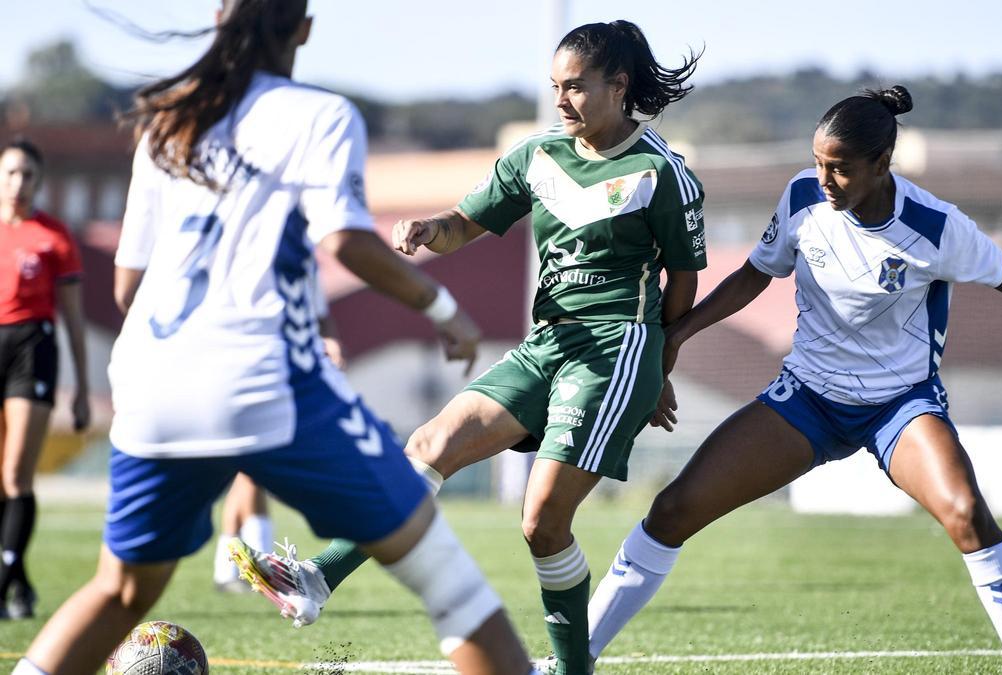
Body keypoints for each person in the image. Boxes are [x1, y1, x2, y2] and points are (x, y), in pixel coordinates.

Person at [12, 1, 536, 673]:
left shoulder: (167, 123)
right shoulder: (321, 115)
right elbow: (345, 238)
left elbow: (124, 289)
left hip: (151, 384)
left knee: (119, 590)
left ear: (217, 19)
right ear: (305, 27)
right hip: (266, 379)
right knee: (450, 582)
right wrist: (442, 307)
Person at [584, 86, 1002, 675]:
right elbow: (756, 274)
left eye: (840, 168)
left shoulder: (937, 228)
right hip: (805, 399)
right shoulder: (803, 197)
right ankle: (571, 662)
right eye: (818, 163)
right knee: (674, 509)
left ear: (883, 164)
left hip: (900, 407)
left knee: (966, 514)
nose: (825, 178)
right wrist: (676, 336)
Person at [236, 19, 706, 675]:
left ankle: (572, 668)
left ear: (618, 85)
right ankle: (316, 579)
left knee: (541, 521)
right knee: (430, 445)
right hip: (545, 346)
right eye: (554, 87)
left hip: (617, 347)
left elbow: (682, 285)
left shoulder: (661, 173)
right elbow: (467, 222)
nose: (561, 100)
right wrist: (434, 228)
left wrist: (657, 367)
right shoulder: (537, 157)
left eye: (575, 88)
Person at [116, 259, 343, 589]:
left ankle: (231, 565)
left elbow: (318, 314)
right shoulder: (237, 259)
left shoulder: (299, 258)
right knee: (252, 470)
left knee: (248, 473)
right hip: (242, 374)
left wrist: (329, 342)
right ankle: (254, 564)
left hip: (282, 374)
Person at [0, 138, 90, 621]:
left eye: (27, 175)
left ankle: (4, 582)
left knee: (16, 474)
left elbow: (74, 319)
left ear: (39, 181)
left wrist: (78, 389)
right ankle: (18, 580)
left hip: (32, 350)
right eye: (10, 173)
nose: (18, 183)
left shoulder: (53, 236)